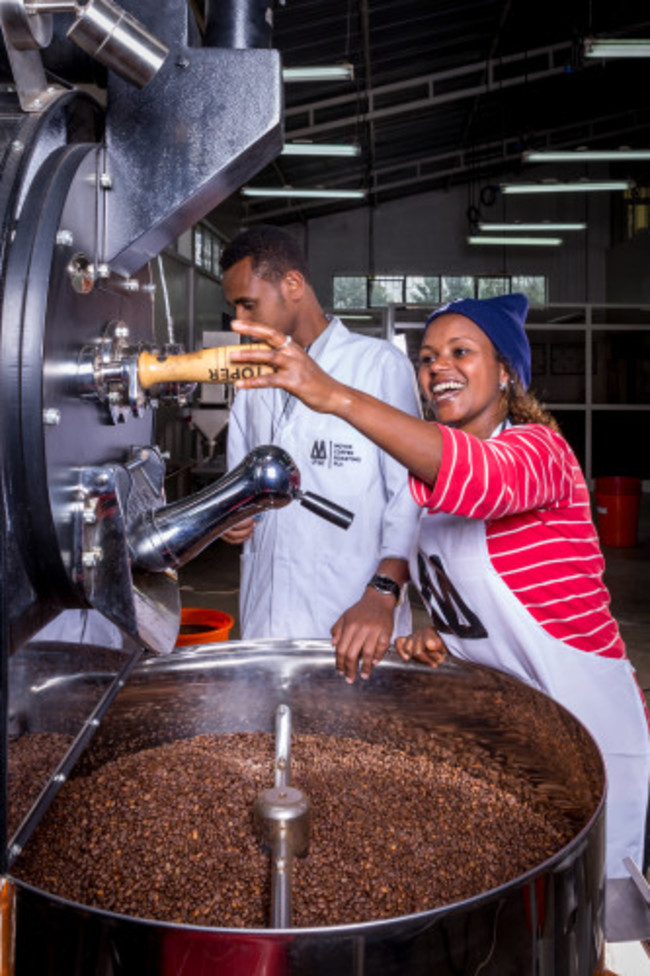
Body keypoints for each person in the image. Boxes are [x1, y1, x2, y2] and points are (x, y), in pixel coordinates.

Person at [226, 290, 650, 882]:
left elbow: (477, 477)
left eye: (461, 352)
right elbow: (490, 598)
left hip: (589, 730)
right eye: (426, 358)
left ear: (506, 372)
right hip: (510, 728)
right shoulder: (432, 501)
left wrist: (336, 396)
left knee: (600, 918)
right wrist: (447, 641)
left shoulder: (540, 453)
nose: (436, 368)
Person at [218, 225, 421, 670]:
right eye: (233, 307)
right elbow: (238, 491)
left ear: (292, 285)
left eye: (247, 304)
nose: (239, 321)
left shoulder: (376, 366)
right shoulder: (251, 384)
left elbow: (410, 496)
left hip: (351, 619)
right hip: (264, 620)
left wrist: (383, 591)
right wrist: (232, 519)